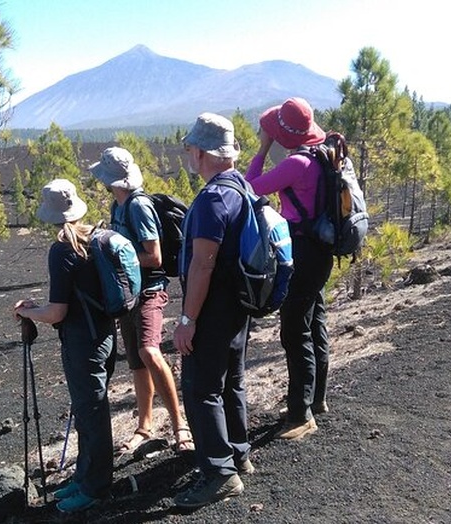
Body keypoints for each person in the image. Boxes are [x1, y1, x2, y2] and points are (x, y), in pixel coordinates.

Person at [13, 179, 115, 513]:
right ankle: (84, 477)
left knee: (92, 414)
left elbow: (57, 312)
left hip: (82, 343)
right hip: (105, 336)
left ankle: (96, 488)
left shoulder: (62, 249)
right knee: (88, 411)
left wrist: (27, 312)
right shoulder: (96, 238)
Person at [87, 146, 194, 455]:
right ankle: (144, 427)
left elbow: (154, 256)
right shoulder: (117, 206)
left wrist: (115, 258)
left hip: (150, 290)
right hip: (127, 294)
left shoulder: (138, 207)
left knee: (149, 350)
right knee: (136, 361)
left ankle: (180, 425)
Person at [172, 113, 254, 509]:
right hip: (237, 306)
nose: (190, 154)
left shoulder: (212, 198)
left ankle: (220, 474)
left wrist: (187, 320)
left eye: (190, 148)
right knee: (231, 381)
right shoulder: (241, 187)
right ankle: (238, 454)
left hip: (212, 308)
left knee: (201, 388)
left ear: (201, 152)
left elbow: (203, 264)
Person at [245, 97, 332, 440]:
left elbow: (250, 188)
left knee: (295, 331)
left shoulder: (297, 163)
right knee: (314, 323)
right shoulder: (321, 156)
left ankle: (300, 415)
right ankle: (315, 399)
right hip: (320, 250)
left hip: (304, 252)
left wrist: (263, 148)